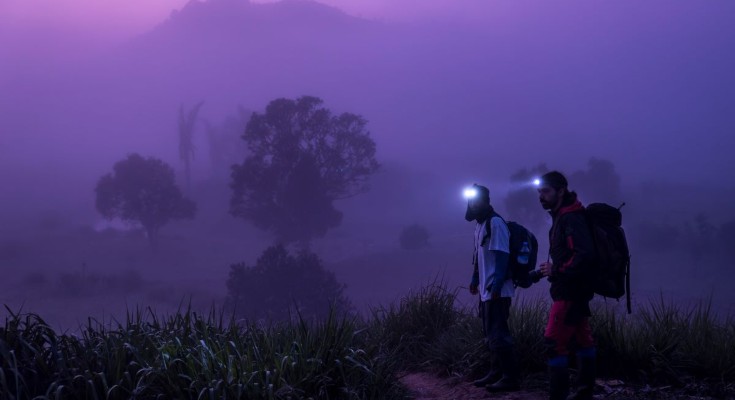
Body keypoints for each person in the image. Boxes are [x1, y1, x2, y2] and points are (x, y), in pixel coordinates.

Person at [537, 171, 597, 400]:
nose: (541, 196)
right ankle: (584, 393)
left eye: (546, 191)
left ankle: (559, 395)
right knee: (583, 339)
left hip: (570, 291)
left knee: (553, 341)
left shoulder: (570, 218)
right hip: (573, 289)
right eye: (539, 192)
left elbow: (584, 255)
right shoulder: (564, 214)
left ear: (561, 191)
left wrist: (557, 270)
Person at [465, 184, 520, 392]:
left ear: (487, 200)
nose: (473, 204)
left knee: (499, 333)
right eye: (470, 201)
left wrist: (496, 285)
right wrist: (474, 279)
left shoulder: (496, 223)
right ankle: (495, 372)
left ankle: (510, 377)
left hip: (498, 290)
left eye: (477, 200)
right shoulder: (480, 225)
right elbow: (479, 258)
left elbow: (502, 255)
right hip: (486, 290)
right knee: (490, 332)